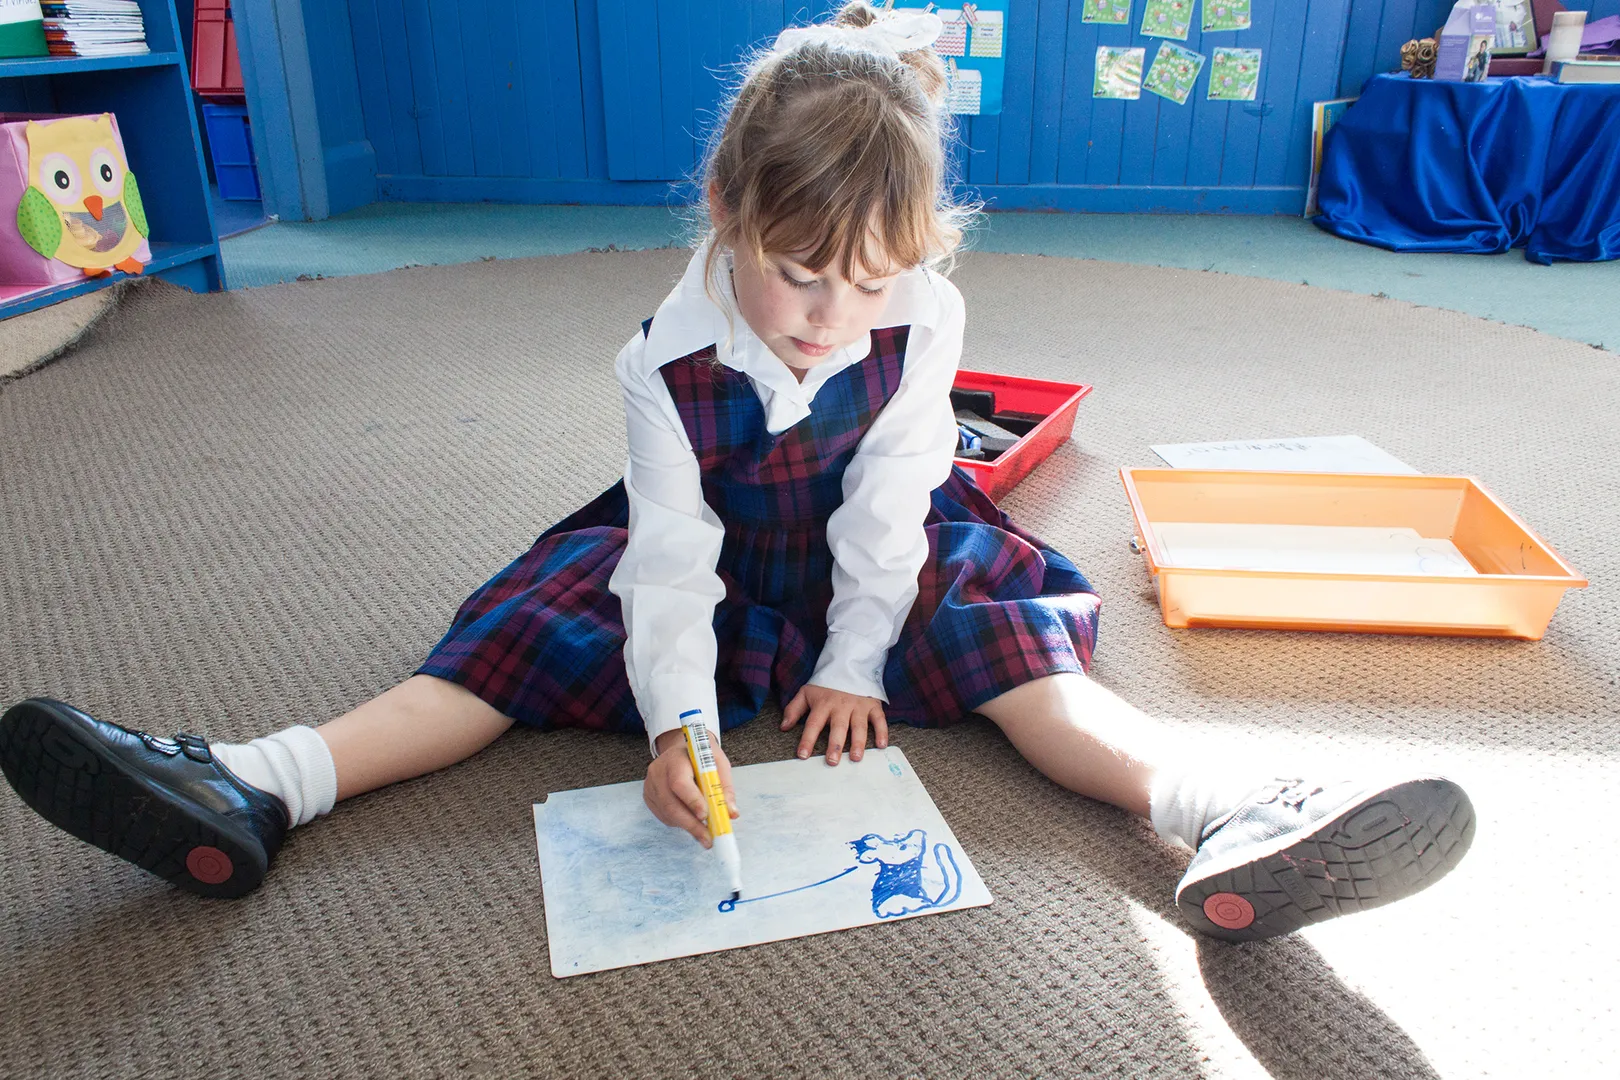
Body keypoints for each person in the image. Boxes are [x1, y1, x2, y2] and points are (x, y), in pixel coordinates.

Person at [0, 3, 1473, 943]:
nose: (832, 319)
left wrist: (853, 660)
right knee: (504, 652)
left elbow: (896, 498)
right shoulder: (662, 357)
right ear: (723, 213)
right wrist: (679, 725)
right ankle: (259, 784)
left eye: (870, 286)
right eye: (797, 276)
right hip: (702, 551)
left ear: (920, 262)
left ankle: (1227, 813)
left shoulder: (922, 313)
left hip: (873, 549)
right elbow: (668, 561)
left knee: (1020, 659)